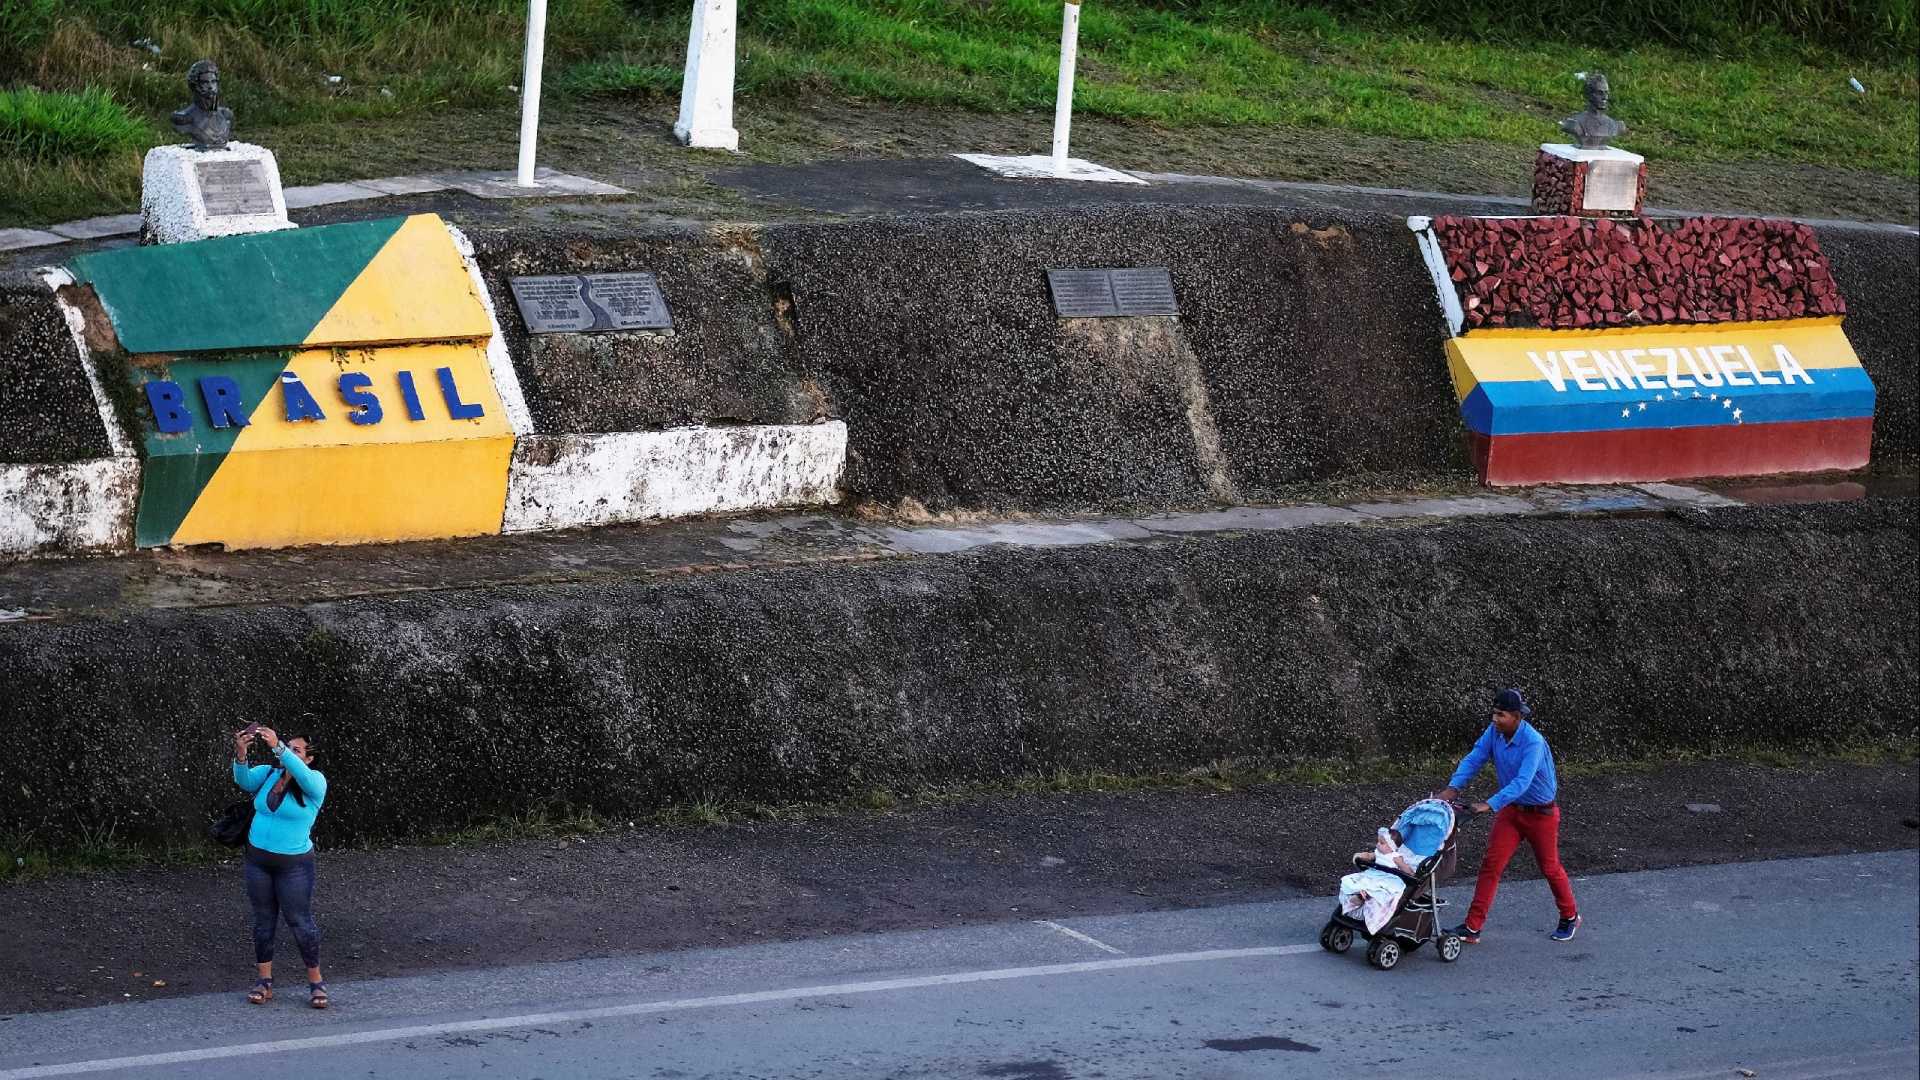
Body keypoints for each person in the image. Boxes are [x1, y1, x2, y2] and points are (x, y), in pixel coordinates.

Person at [1436, 688, 1580, 944]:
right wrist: (1452, 788)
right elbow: (1475, 758)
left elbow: (1522, 782)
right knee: (1491, 865)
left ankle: (1570, 916)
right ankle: (1472, 927)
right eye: (1493, 713)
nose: (1494, 719)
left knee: (1549, 867)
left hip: (1541, 815)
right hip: (1512, 811)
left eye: (1500, 715)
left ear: (1516, 717)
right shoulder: (1495, 733)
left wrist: (1488, 804)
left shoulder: (1533, 742)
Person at [231, 724, 330, 1007]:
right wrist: (241, 754)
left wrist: (278, 747)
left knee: (300, 922)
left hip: (294, 867)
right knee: (263, 922)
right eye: (287, 747)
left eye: (296, 750)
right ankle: (264, 982)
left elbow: (300, 774)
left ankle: (316, 983)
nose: (286, 752)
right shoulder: (269, 774)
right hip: (257, 860)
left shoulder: (315, 782)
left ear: (309, 759)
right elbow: (244, 781)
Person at [1338, 827, 1415, 934]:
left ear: (1391, 847)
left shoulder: (1395, 857)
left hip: (1389, 878)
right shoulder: (1378, 852)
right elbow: (1369, 856)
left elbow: (1403, 867)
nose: (1378, 844)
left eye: (1382, 843)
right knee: (1359, 881)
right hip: (1375, 874)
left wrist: (1411, 873)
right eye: (1378, 841)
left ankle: (1363, 896)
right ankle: (1359, 896)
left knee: (1381, 891)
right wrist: (1361, 856)